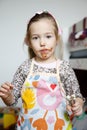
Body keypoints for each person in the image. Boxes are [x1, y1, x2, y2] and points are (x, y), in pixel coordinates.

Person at [0, 11, 84, 130]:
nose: (42, 43)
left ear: (56, 38)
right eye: (35, 38)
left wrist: (78, 105)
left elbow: (76, 95)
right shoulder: (25, 67)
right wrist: (7, 96)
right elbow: (12, 101)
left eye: (48, 36)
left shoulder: (64, 68)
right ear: (28, 42)